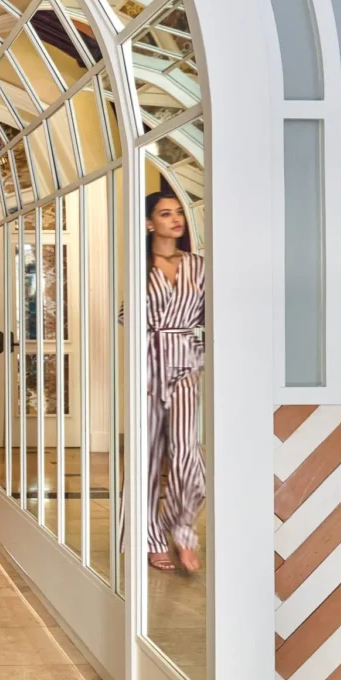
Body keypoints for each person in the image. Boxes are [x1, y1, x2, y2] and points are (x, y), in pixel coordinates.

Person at [120, 191, 206, 573]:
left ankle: (183, 530)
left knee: (188, 454)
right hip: (149, 366)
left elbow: (213, 316)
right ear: (150, 222)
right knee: (149, 457)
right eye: (165, 213)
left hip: (187, 366)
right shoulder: (140, 266)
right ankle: (151, 538)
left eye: (178, 213)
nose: (175, 219)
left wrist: (197, 351)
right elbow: (125, 316)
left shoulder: (199, 266)